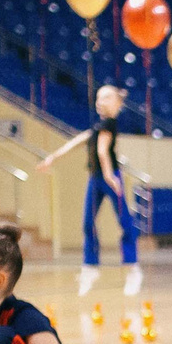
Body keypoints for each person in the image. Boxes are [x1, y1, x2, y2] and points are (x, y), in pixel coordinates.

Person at [37, 85, 140, 297]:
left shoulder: (109, 124)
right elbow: (77, 142)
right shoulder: (98, 126)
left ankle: (132, 268)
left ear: (116, 103)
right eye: (99, 97)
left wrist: (110, 176)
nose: (100, 101)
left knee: (124, 221)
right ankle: (90, 267)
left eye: (106, 97)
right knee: (88, 221)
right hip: (96, 178)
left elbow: (103, 151)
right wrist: (53, 158)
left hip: (109, 179)